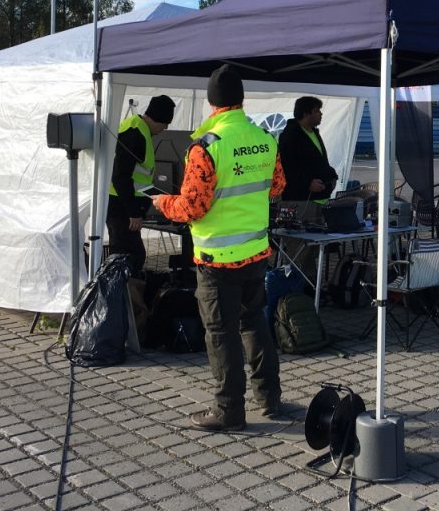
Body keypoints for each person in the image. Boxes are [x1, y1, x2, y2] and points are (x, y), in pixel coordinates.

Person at [153, 65, 285, 431]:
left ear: (211, 104)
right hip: (256, 251)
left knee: (221, 333)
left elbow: (192, 207)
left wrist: (162, 203)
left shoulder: (206, 148)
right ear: (241, 100)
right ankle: (269, 398)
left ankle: (229, 411)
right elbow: (276, 187)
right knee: (255, 323)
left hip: (217, 259)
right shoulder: (265, 139)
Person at [107, 94, 175, 273]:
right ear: (158, 119)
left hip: (124, 206)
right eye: (165, 124)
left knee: (129, 256)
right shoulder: (135, 133)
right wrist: (133, 213)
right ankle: (128, 297)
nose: (165, 129)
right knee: (129, 258)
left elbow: (138, 175)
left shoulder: (136, 127)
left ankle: (130, 296)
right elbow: (121, 176)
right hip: (122, 208)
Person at [278, 96, 338, 270]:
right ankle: (297, 292)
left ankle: (311, 289)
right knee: (299, 251)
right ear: (306, 113)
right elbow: (285, 168)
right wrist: (307, 183)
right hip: (298, 201)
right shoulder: (290, 135)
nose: (321, 114)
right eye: (317, 111)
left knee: (312, 250)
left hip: (317, 200)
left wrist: (332, 175)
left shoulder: (314, 132)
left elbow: (320, 161)